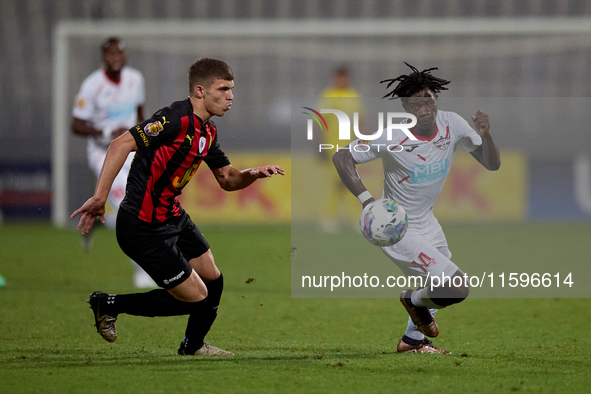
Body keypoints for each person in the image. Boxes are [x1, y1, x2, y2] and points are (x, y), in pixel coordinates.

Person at [71, 58, 284, 356]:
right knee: (196, 298)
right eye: (222, 89)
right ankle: (107, 304)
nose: (230, 96)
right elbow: (120, 144)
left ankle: (193, 346)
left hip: (172, 216)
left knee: (213, 280)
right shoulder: (173, 120)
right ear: (200, 91)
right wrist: (100, 197)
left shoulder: (207, 132)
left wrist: (253, 174)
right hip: (142, 225)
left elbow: (227, 178)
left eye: (231, 89)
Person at [332, 63, 500, 354]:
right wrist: (367, 201)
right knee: (456, 287)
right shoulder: (394, 136)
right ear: (406, 109)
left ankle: (412, 341)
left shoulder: (453, 124)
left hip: (427, 222)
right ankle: (412, 300)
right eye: (414, 104)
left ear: (435, 99)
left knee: (438, 285)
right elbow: (341, 156)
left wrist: (485, 134)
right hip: (396, 227)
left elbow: (491, 163)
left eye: (427, 100)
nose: (422, 109)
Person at [71, 37, 155, 288]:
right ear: (103, 57)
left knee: (143, 201)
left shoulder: (135, 79)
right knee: (125, 205)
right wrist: (108, 133)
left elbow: (140, 114)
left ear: (125, 56)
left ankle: (93, 221)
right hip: (103, 152)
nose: (115, 57)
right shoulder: (92, 85)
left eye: (119, 53)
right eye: (110, 54)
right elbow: (76, 124)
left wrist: (148, 142)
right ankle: (141, 271)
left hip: (131, 149)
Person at [317, 67, 366, 232]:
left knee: (349, 180)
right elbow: (320, 120)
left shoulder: (354, 96)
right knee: (340, 180)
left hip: (351, 145)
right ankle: (329, 218)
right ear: (334, 78)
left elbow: (360, 120)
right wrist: (320, 144)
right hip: (334, 145)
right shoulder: (329, 95)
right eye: (339, 78)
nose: (342, 81)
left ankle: (346, 218)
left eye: (345, 78)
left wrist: (367, 140)